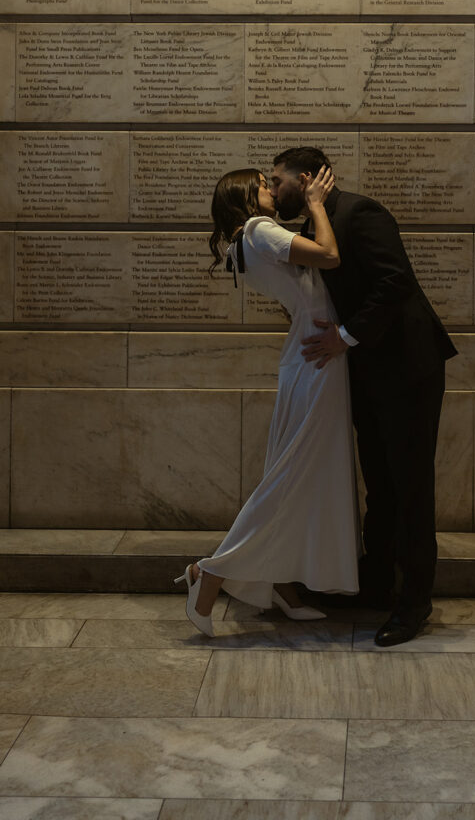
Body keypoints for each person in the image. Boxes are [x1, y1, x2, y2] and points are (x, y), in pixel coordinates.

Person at [270, 147, 457, 647]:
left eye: (277, 179)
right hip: (369, 372)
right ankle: (376, 587)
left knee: (411, 487)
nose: (274, 187)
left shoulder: (359, 212)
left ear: (305, 177)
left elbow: (394, 283)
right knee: (380, 485)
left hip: (407, 369)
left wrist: (344, 336)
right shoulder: (316, 225)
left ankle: (414, 604)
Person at [175, 165, 359, 636]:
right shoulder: (259, 230)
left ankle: (280, 586)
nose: (273, 190)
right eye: (264, 183)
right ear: (245, 194)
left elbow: (293, 298)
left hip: (307, 354)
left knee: (298, 473)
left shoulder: (243, 244)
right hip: (317, 362)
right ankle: (210, 573)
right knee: (291, 475)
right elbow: (330, 256)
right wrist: (317, 205)